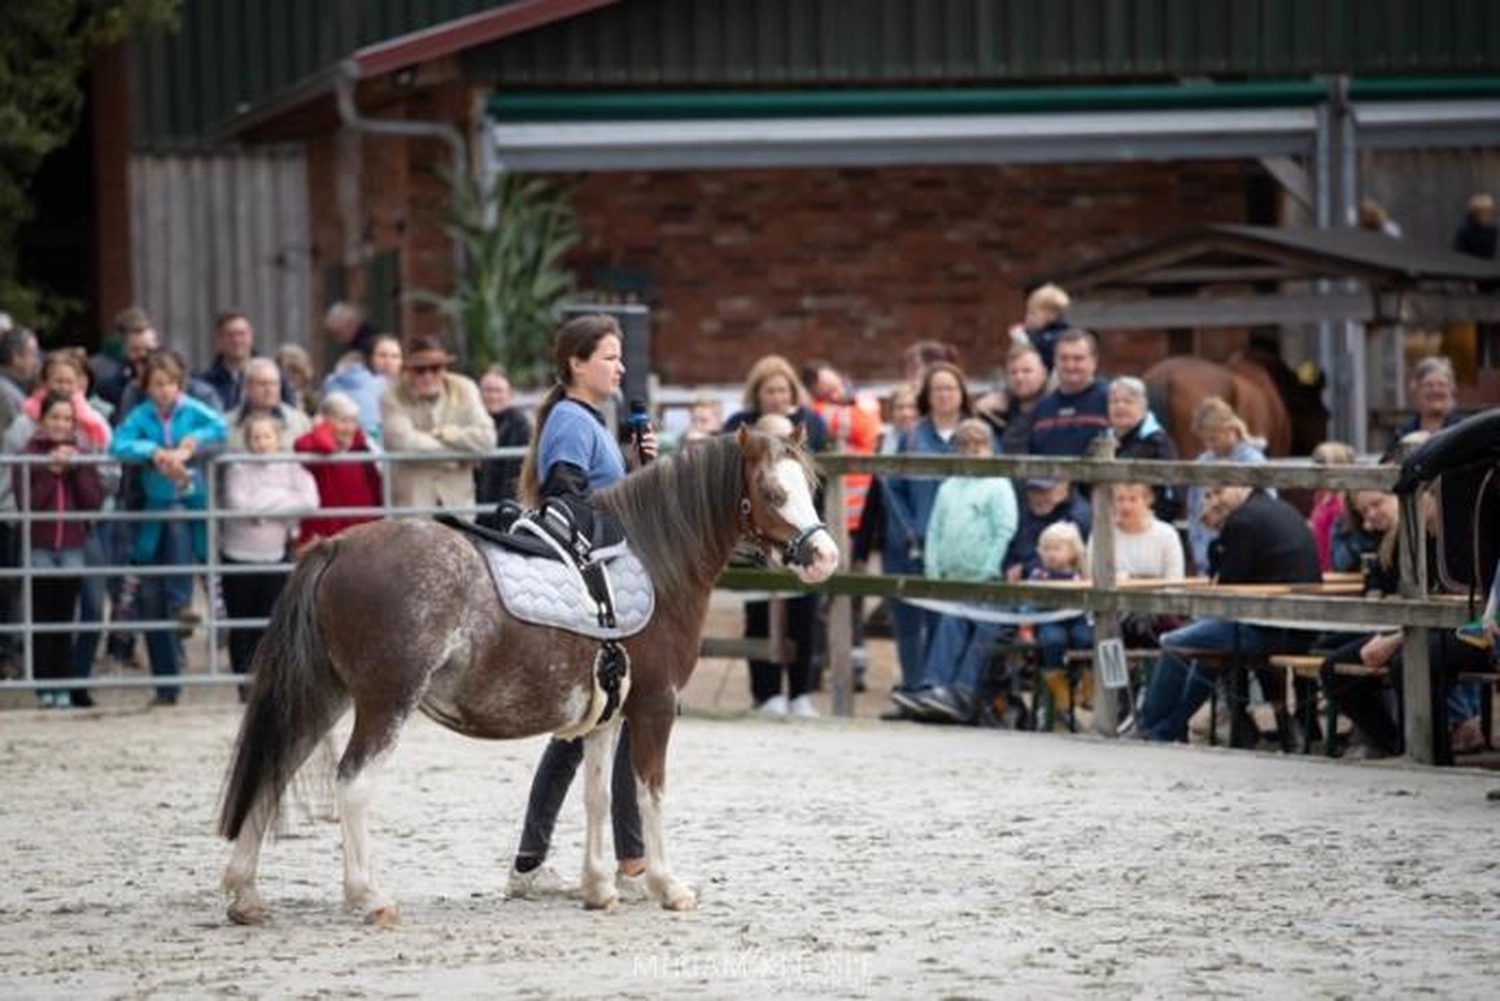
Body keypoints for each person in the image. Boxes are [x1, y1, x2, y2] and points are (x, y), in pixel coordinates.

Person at [507, 313, 657, 901]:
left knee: (579, 731)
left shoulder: (587, 420)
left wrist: (635, 464)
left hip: (600, 576)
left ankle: (530, 862)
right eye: (610, 357)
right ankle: (632, 860)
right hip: (593, 588)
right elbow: (567, 498)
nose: (620, 367)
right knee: (608, 722)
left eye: (621, 358)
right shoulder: (571, 421)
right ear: (576, 363)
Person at [1129, 484, 1322, 743]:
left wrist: (1220, 532)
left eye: (1219, 492)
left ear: (1241, 488)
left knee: (1174, 643)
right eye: (1209, 495)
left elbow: (1224, 589)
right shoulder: (1280, 509)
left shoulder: (1242, 520)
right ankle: (1162, 732)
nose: (1213, 501)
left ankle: (1149, 726)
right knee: (1205, 657)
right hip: (1299, 627)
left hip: (1268, 629)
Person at [1321, 487, 1494, 760]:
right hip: (1418, 626)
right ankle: (1396, 743)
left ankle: (1432, 753)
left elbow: (1462, 609)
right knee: (1332, 665)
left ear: (1431, 495)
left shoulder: (1460, 536)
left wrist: (1396, 637)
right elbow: (1378, 585)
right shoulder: (1402, 537)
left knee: (1412, 659)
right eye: (1364, 510)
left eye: (1376, 504)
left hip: (1467, 629)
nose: (1371, 515)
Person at [110, 351, 228, 706]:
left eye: (170, 384)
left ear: (180, 385)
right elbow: (119, 444)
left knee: (186, 536)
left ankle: (183, 603)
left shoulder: (192, 408)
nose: (164, 391)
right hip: (152, 503)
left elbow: (220, 428)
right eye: (157, 385)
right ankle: (164, 680)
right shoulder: (140, 415)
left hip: (188, 498)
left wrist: (191, 445)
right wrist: (154, 453)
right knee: (149, 580)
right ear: (146, 388)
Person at [722, 355, 829, 717]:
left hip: (801, 525)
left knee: (804, 610)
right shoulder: (740, 426)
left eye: (783, 389)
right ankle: (766, 693)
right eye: (770, 390)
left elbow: (822, 478)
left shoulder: (809, 423)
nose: (777, 395)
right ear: (758, 393)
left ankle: (801, 691)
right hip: (756, 532)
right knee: (758, 609)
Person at [893, 418, 1017, 723]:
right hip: (953, 577)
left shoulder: (999, 485)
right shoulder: (949, 487)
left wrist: (990, 566)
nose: (972, 451)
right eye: (965, 445)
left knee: (982, 630)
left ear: (990, 449)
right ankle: (934, 686)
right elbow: (934, 529)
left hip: (985, 578)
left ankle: (961, 691)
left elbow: (1005, 528)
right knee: (948, 627)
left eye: (979, 445)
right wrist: (933, 567)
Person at [881, 361, 975, 707]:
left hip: (958, 548)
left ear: (962, 393)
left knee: (944, 619)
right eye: (937, 389)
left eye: (951, 388)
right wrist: (913, 530)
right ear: (927, 395)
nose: (945, 395)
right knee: (908, 620)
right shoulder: (911, 436)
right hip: (913, 546)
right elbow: (893, 489)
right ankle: (913, 688)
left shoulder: (977, 434)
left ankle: (940, 691)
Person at [13, 392, 105, 706]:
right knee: (42, 619)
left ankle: (63, 685)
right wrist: (51, 473)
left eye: (67, 419)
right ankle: (44, 688)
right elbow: (29, 503)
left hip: (71, 546)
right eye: (54, 417)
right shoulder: (28, 454)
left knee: (65, 619)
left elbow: (91, 501)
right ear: (41, 420)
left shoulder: (83, 455)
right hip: (40, 545)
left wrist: (76, 468)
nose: (61, 424)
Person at [221, 413, 318, 699]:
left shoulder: (290, 467)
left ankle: (267, 680)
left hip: (275, 555)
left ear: (277, 439)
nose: (262, 443)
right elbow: (240, 504)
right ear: (248, 441)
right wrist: (283, 504)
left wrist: (264, 507)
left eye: (267, 436)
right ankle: (243, 682)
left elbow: (310, 501)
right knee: (241, 622)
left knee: (270, 621)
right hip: (238, 555)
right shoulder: (237, 468)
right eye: (256, 437)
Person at [380, 336, 495, 519]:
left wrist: (444, 433)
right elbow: (403, 442)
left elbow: (487, 438)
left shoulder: (465, 388)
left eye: (435, 368)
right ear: (409, 370)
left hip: (458, 505)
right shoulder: (391, 395)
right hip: (414, 508)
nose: (428, 375)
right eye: (420, 370)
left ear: (444, 369)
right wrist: (458, 457)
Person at [1185, 397, 1267, 574]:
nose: (1209, 445)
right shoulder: (1201, 464)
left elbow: (1266, 506)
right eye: (1204, 440)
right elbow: (1194, 512)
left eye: (1213, 438)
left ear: (1229, 430)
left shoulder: (1254, 462)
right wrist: (1199, 551)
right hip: (1206, 561)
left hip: (1245, 556)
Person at [293, 392, 384, 550]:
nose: (350, 428)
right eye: (343, 421)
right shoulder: (312, 445)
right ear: (325, 422)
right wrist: (321, 429)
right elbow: (306, 446)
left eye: (353, 421)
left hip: (360, 532)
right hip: (325, 534)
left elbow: (375, 490)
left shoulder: (363, 447)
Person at [1030, 521, 1093, 729]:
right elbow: (1028, 602)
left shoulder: (1080, 577)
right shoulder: (1039, 576)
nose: (1051, 554)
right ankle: (1058, 684)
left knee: (1086, 637)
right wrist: (1025, 624)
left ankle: (1086, 680)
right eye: (1046, 549)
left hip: (1076, 618)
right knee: (1052, 640)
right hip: (1049, 618)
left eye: (1057, 548)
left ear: (1073, 552)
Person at [1108, 375, 1182, 523]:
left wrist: (1149, 522)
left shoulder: (1158, 443)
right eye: (1114, 401)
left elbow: (1174, 494)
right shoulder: (1102, 441)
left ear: (1143, 406)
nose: (1120, 406)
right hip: (1108, 523)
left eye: (1128, 401)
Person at [1027, 328, 1110, 459]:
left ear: (1094, 361)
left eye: (1078, 359)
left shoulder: (1112, 400)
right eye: (1064, 358)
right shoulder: (1042, 407)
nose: (1070, 365)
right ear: (1055, 361)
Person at [195, 312, 294, 412]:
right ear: (219, 339)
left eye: (242, 334)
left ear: (251, 336)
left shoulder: (273, 376)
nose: (236, 340)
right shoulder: (205, 382)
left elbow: (290, 411)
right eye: (230, 335)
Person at [1004, 478, 1092, 583]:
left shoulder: (1079, 517)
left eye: (1044, 491)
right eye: (1033, 490)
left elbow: (1067, 560)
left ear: (1064, 486)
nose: (1037, 497)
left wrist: (1024, 569)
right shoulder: (1022, 510)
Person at [474, 364, 531, 521]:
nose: (492, 396)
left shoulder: (520, 425)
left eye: (498, 390)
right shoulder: (471, 421)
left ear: (509, 394)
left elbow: (516, 475)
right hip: (473, 506)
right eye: (487, 390)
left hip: (505, 508)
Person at [320, 333, 402, 442]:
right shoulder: (373, 389)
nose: (389, 362)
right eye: (382, 356)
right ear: (368, 359)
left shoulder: (337, 381)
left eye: (395, 356)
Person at [224, 358, 312, 452]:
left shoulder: (300, 422)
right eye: (262, 384)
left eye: (274, 384)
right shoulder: (225, 424)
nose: (269, 390)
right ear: (246, 388)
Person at [990, 342, 1049, 456]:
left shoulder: (1053, 411)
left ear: (1043, 374)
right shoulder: (996, 413)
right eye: (1013, 372)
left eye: (1027, 371)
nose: (1019, 377)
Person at [1308, 441, 1358, 572]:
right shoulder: (1320, 494)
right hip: (1315, 561)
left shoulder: (1343, 501)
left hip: (1330, 566)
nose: (1317, 468)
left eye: (1322, 463)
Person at [1394, 356, 1462, 440]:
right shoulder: (1404, 432)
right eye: (1428, 385)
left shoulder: (1461, 430)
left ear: (1451, 390)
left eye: (1441, 384)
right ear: (1416, 391)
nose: (1435, 390)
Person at [1021, 283, 1072, 371]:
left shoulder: (1058, 335)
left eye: (1033, 313)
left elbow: (1037, 350)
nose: (1028, 317)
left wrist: (1023, 337)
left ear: (1051, 315)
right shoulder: (1040, 334)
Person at [1453, 193, 1497, 260]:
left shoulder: (1493, 230)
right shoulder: (1465, 230)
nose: (1487, 215)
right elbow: (1459, 252)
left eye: (1489, 212)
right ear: (1475, 213)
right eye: (1482, 212)